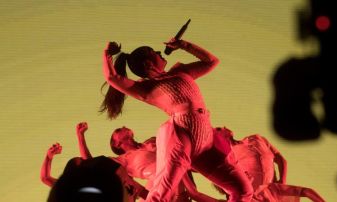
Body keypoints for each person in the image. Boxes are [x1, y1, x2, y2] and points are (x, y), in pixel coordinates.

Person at [101, 39, 253, 201]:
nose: (160, 53)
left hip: (206, 141)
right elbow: (113, 77)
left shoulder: (180, 71)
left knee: (244, 191)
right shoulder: (146, 87)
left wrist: (184, 45)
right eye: (155, 52)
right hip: (182, 136)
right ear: (148, 63)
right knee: (162, 193)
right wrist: (107, 54)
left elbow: (211, 61)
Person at [77, 121, 224, 202]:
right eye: (118, 130)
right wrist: (80, 136)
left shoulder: (151, 142)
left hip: (182, 183)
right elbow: (92, 165)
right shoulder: (124, 160)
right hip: (161, 188)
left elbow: (184, 155)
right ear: (116, 144)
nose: (122, 126)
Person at [213, 127, 325, 202]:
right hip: (258, 191)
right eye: (218, 129)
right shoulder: (230, 155)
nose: (223, 127)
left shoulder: (256, 139)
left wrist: (281, 182)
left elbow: (281, 160)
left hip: (268, 189)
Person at [40, 142, 148, 202]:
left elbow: (140, 190)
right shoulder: (73, 187)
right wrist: (49, 157)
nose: (86, 162)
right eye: (81, 161)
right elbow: (45, 178)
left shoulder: (102, 174)